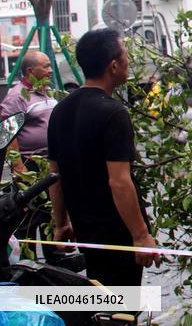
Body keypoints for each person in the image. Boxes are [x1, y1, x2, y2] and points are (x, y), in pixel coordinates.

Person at [47, 28, 160, 287]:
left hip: (86, 231)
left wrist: (61, 223)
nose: (128, 61)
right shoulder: (113, 113)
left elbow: (54, 175)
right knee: (122, 304)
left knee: (101, 299)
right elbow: (119, 182)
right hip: (117, 234)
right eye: (125, 55)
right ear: (113, 65)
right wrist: (141, 235)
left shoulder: (60, 110)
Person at [0, 51, 57, 173]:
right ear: (30, 71)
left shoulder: (48, 91)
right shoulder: (16, 97)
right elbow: (7, 134)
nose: (51, 70)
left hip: (52, 159)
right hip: (30, 164)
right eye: (46, 67)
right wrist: (18, 166)